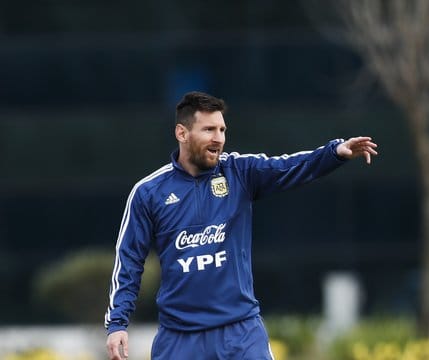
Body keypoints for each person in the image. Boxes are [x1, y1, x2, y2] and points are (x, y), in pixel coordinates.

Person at [104, 91, 378, 360]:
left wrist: (334, 154)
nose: (219, 138)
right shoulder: (148, 192)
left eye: (222, 130)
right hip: (179, 339)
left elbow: (289, 166)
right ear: (182, 133)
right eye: (209, 129)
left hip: (240, 333)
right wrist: (117, 323)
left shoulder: (239, 172)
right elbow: (129, 260)